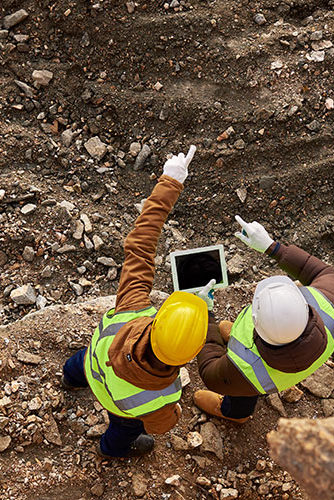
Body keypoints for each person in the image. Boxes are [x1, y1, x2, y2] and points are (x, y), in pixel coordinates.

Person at [60, 145, 208, 458]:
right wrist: (177, 415)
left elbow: (140, 244)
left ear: (159, 320)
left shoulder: (133, 307)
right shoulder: (166, 393)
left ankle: (70, 379)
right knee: (124, 431)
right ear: (188, 357)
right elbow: (159, 425)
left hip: (94, 364)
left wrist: (171, 181)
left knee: (78, 365)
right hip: (119, 407)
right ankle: (111, 451)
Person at [193, 216, 334, 424]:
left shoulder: (244, 369)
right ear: (303, 305)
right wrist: (272, 247)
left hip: (250, 376)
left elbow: (209, 370)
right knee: (246, 381)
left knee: (242, 392)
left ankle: (235, 414)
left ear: (255, 322)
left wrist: (206, 315)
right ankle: (236, 344)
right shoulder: (331, 307)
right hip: (296, 359)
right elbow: (322, 271)